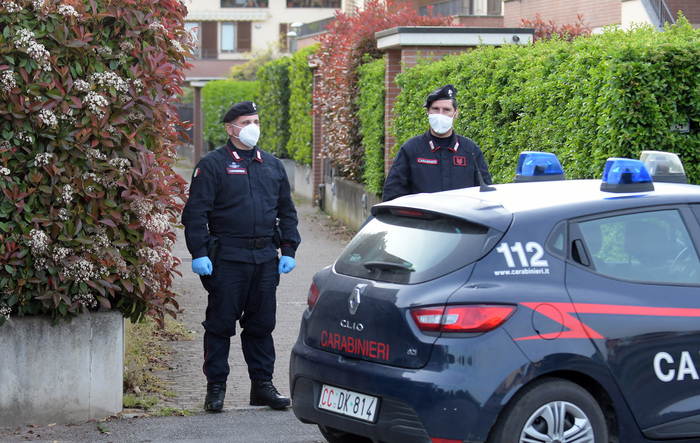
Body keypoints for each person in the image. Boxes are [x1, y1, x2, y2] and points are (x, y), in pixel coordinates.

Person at [181, 100, 301, 412]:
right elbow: (195, 215)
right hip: (227, 260)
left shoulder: (272, 166)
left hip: (264, 259)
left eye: (256, 120)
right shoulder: (212, 165)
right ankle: (216, 388)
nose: (252, 127)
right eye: (246, 121)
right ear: (230, 128)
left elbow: (287, 212)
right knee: (220, 325)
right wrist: (198, 252)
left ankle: (262, 386)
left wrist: (288, 248)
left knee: (262, 325)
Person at [382, 84, 492, 202]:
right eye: (435, 109)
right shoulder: (411, 150)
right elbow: (392, 196)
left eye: (446, 110)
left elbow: (486, 196)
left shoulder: (471, 151)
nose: (440, 114)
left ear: (456, 113)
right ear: (428, 113)